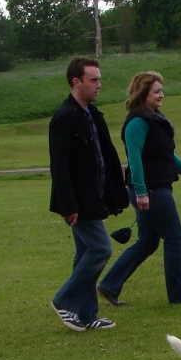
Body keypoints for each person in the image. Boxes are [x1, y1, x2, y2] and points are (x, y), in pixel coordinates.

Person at [97, 71, 181, 306]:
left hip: (155, 189)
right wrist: (140, 192)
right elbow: (135, 160)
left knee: (147, 242)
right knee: (175, 238)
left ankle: (109, 285)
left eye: (161, 91)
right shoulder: (137, 122)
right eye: (156, 91)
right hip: (152, 191)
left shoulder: (154, 119)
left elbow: (165, 156)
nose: (161, 95)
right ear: (143, 93)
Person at [49, 57, 129, 331]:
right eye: (93, 80)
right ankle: (64, 300)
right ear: (76, 82)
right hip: (77, 202)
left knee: (85, 252)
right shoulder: (65, 118)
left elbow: (104, 158)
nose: (99, 85)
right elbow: (59, 166)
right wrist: (68, 205)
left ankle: (85, 314)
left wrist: (113, 197)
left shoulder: (92, 116)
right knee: (100, 248)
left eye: (99, 79)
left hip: (94, 199)